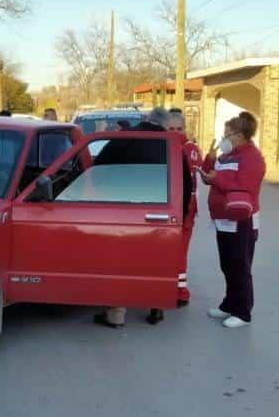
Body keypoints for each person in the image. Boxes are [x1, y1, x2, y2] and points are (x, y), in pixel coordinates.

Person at [94, 107, 172, 329]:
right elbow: (183, 181)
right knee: (155, 261)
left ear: (147, 119)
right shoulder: (169, 144)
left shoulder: (124, 138)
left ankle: (116, 314)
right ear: (164, 125)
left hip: (121, 210)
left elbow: (98, 168)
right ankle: (156, 307)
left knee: (118, 262)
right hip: (158, 212)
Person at [200, 111, 265, 329]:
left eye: (228, 134)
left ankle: (243, 311)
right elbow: (209, 177)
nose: (224, 137)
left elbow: (244, 186)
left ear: (240, 135)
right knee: (227, 265)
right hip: (223, 219)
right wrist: (209, 159)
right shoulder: (226, 156)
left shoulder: (252, 157)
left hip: (241, 220)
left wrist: (218, 179)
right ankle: (229, 304)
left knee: (240, 266)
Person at [168, 108, 203, 306]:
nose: (175, 132)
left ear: (185, 128)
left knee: (180, 251)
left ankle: (181, 292)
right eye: (171, 128)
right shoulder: (167, 145)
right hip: (171, 204)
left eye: (179, 128)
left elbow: (198, 175)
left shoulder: (190, 149)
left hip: (186, 207)